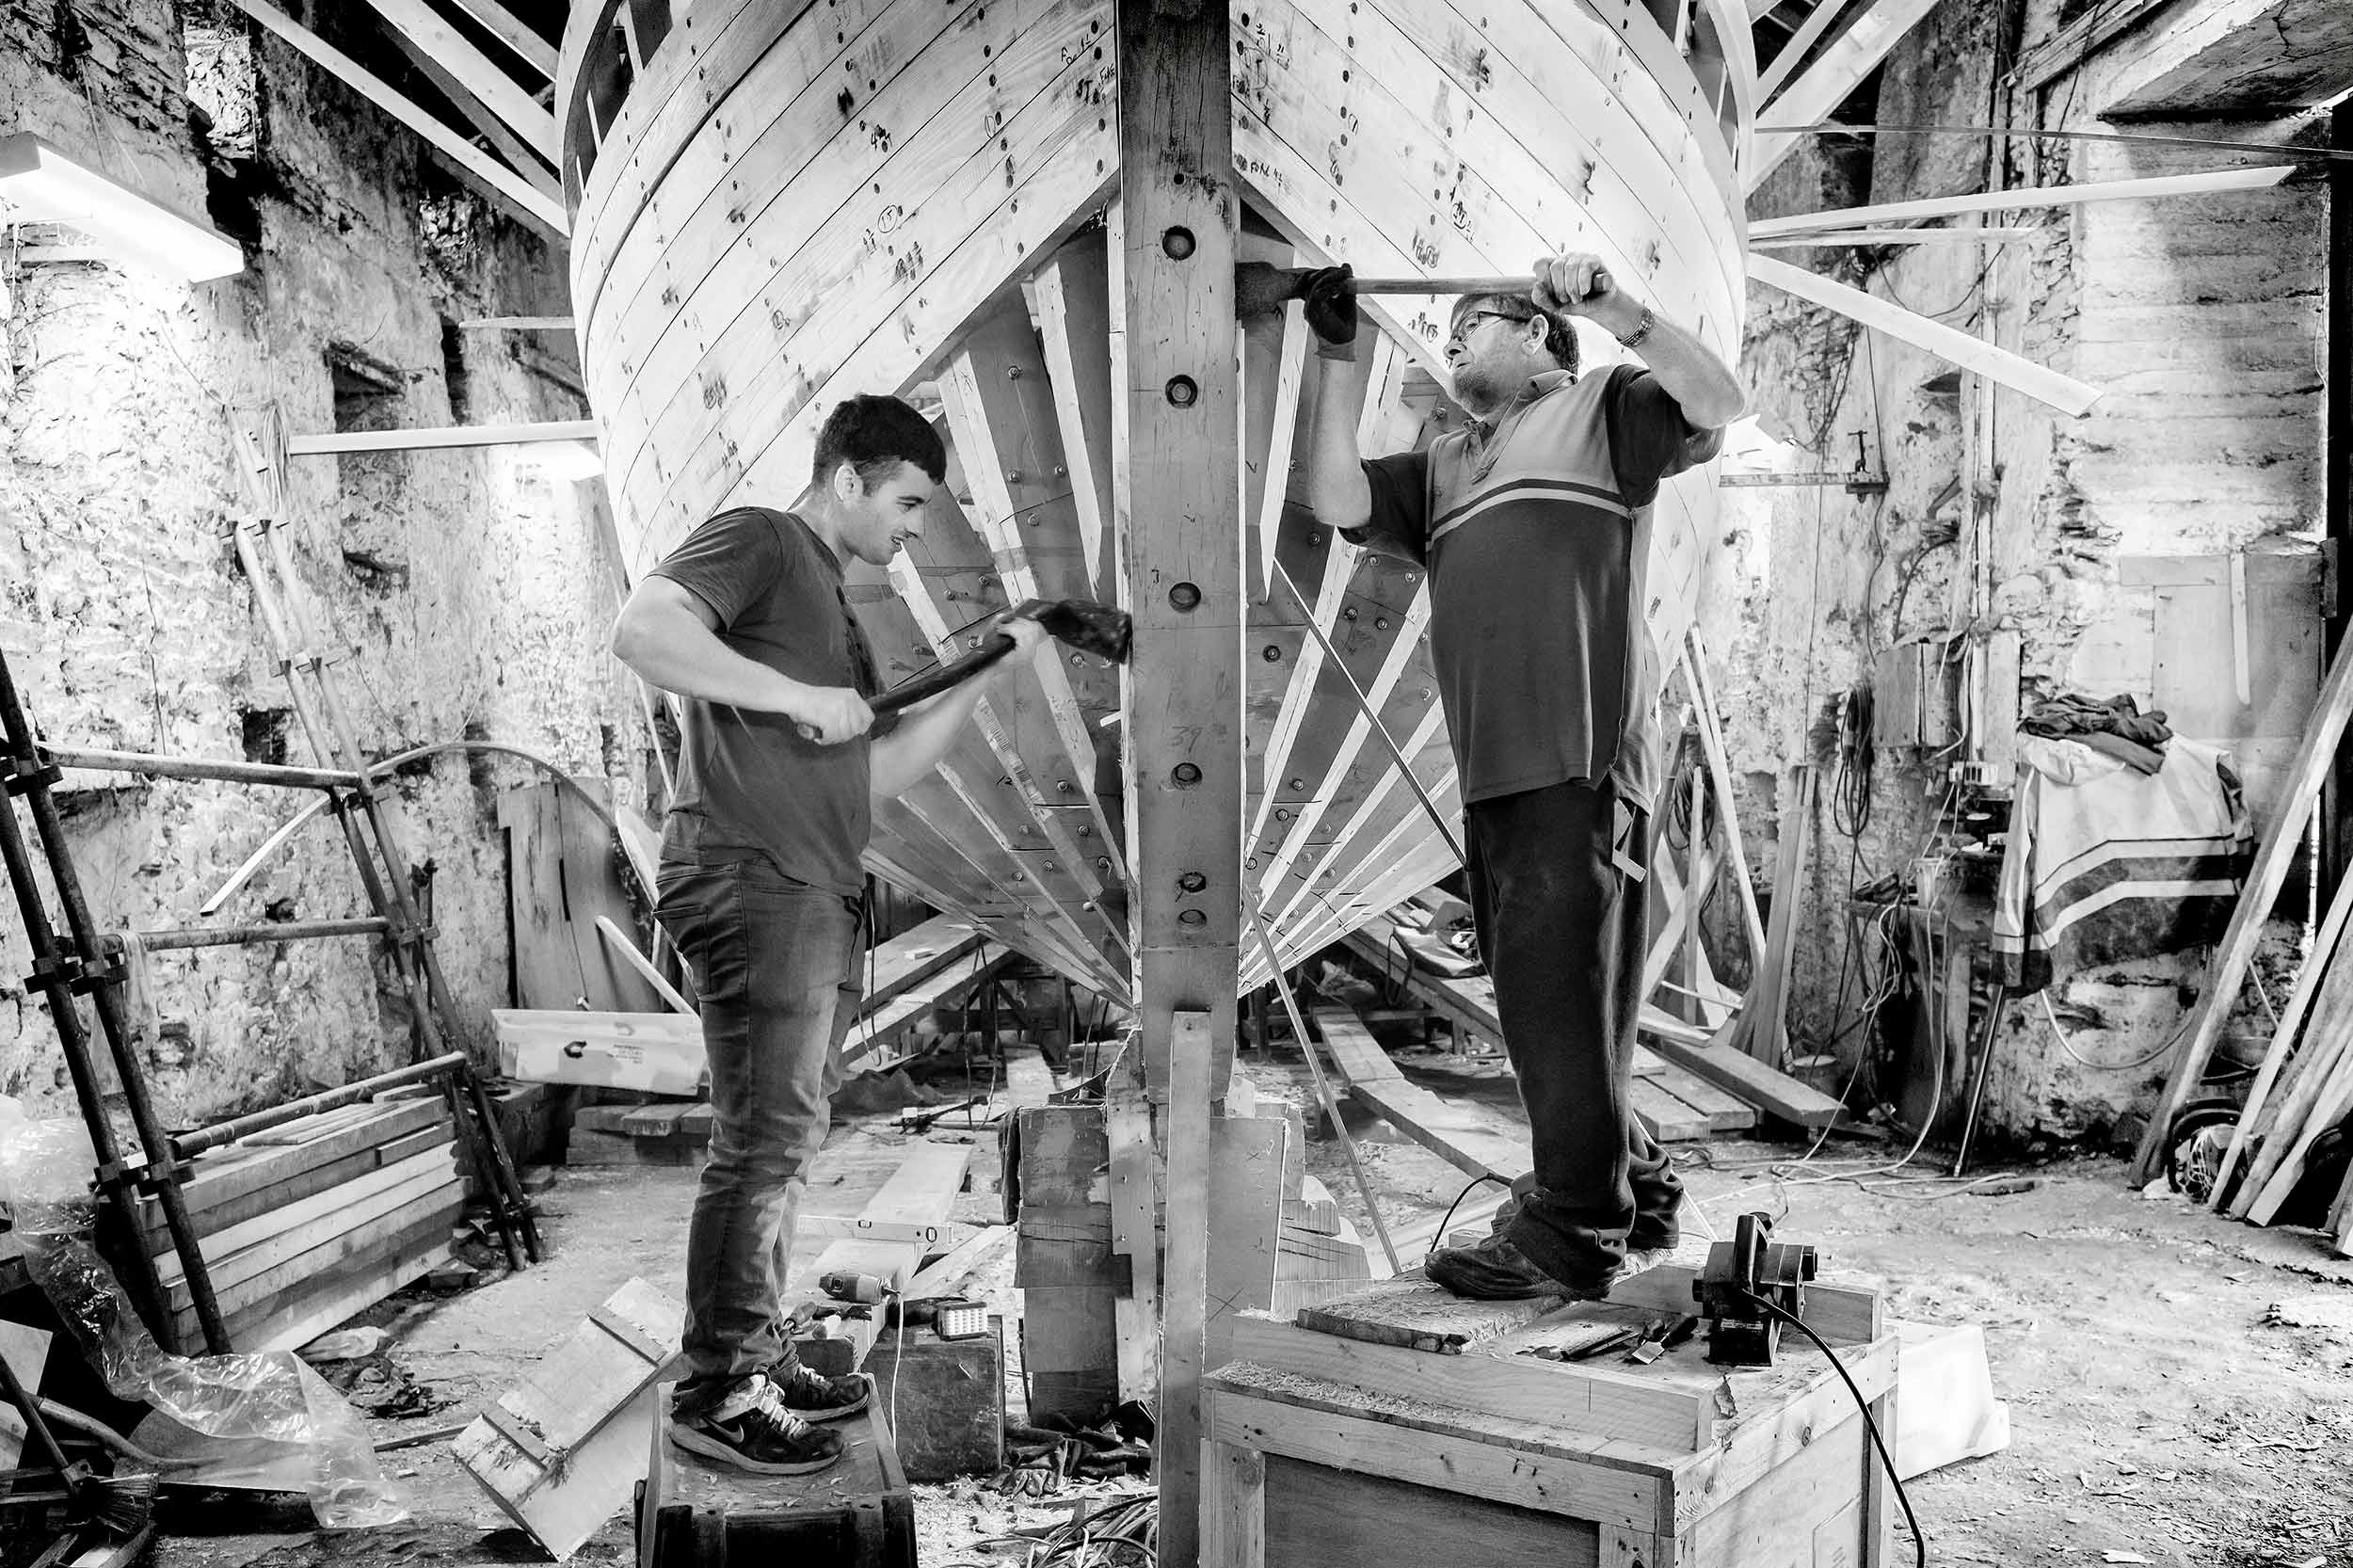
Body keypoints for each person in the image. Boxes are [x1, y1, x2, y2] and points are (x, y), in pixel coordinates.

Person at [611, 393, 1046, 1474]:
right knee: (760, 1142)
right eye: (904, 501)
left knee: (789, 1134)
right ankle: (718, 1384)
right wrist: (792, 692)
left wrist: (992, 669)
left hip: (811, 883)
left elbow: (880, 773)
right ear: (846, 476)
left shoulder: (836, 608)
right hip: (752, 876)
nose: (910, 529)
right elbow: (643, 628)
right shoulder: (761, 537)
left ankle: (751, 1350)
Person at [1297, 253, 1745, 1302]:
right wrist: (1331, 354)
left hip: (1578, 758)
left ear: (1542, 335)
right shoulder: (1447, 461)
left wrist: (1619, 309)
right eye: (1446, 330)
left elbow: (1721, 400)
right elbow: (1334, 496)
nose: (1452, 341)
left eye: (1475, 322)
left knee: (1558, 997)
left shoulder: (1605, 410)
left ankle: (1574, 1229)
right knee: (1552, 1002)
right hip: (1496, 772)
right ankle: (1633, 1181)